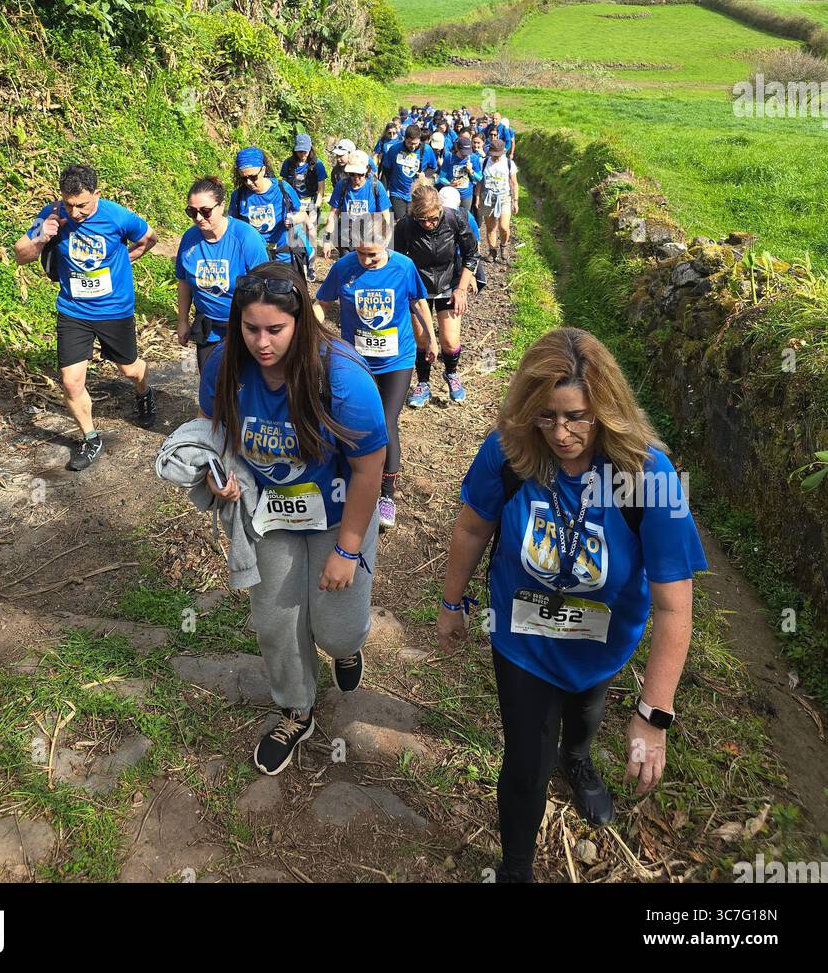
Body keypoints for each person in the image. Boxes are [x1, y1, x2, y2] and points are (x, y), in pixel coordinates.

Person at [438, 327, 707, 883]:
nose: (562, 434)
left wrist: (653, 714)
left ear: (605, 408)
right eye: (546, 416)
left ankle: (578, 758)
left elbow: (675, 607)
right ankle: (515, 868)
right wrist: (451, 600)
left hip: (603, 642)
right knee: (525, 763)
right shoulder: (511, 452)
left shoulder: (644, 475)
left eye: (578, 417)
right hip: (524, 642)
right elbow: (471, 528)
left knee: (584, 714)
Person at [198, 264, 388, 775]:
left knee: (336, 628)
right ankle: (296, 709)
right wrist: (222, 474)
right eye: (251, 328)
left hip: (337, 511)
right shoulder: (223, 366)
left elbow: (370, 468)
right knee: (278, 623)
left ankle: (347, 650)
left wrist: (349, 549)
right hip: (268, 511)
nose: (262, 342)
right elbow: (213, 433)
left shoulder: (343, 377)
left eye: (275, 330)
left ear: (302, 322)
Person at [15, 164, 158, 471]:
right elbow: (20, 254)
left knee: (130, 370)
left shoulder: (117, 215)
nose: (75, 212)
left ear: (97, 194)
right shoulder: (53, 213)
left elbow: (149, 237)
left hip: (114, 308)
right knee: (70, 381)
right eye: (69, 204)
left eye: (82, 205)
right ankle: (91, 438)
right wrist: (41, 236)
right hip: (73, 310)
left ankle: (144, 392)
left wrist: (128, 257)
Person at [316, 229, 436, 531]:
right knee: (344, 418)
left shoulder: (403, 267)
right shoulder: (344, 268)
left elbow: (420, 303)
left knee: (385, 421)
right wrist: (307, 331)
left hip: (397, 359)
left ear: (386, 246)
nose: (367, 260)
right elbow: (322, 303)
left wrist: (431, 340)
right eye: (361, 253)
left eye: (373, 254)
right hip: (355, 361)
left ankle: (386, 494)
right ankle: (347, 480)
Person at [394, 183, 478, 408]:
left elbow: (471, 253)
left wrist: (461, 289)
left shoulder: (454, 218)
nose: (429, 224)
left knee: (449, 341)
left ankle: (452, 374)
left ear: (440, 210)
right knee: (423, 339)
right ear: (415, 215)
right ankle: (423, 382)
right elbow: (399, 261)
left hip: (448, 283)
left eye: (433, 218)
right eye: (423, 220)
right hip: (418, 287)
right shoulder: (405, 226)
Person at [175, 176, 268, 373]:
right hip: (208, 327)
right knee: (210, 385)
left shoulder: (246, 237)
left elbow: (265, 285)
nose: (198, 218)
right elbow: (183, 281)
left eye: (205, 211)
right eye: (192, 212)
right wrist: (182, 320)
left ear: (222, 206)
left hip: (244, 326)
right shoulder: (190, 239)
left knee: (245, 383)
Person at [228, 147, 313, 276]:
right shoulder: (239, 196)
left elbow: (303, 215)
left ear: (263, 170)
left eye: (253, 177)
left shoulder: (282, 189)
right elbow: (231, 227)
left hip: (284, 255)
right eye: (244, 178)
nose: (249, 183)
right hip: (254, 257)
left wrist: (294, 219)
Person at [323, 150, 392, 259]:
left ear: (367, 170)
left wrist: (385, 241)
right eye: (352, 174)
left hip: (370, 237)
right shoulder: (342, 186)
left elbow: (386, 216)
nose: (356, 178)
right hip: (347, 236)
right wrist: (326, 240)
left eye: (360, 174)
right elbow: (333, 214)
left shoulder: (376, 186)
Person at [281, 134, 327, 281]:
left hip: (311, 202)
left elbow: (321, 190)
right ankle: (298, 265)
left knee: (311, 233)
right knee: (295, 234)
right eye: (299, 151)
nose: (302, 154)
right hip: (295, 203)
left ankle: (311, 266)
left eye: (305, 151)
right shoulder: (288, 164)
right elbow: (284, 186)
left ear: (310, 149)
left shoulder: (317, 165)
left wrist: (315, 208)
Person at [380, 124, 438, 222]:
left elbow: (433, 168)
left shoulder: (427, 150)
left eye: (415, 143)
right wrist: (383, 193)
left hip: (417, 194)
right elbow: (386, 172)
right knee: (402, 222)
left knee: (416, 223)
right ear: (404, 139)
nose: (413, 146)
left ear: (419, 139)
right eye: (410, 143)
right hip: (397, 193)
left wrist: (425, 175)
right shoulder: (394, 150)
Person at [478, 139, 519, 262]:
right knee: (490, 227)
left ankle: (504, 246)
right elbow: (480, 181)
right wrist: (478, 198)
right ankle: (492, 250)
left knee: (504, 226)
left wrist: (515, 201)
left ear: (502, 152)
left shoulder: (509, 164)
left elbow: (514, 183)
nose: (495, 158)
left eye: (497, 155)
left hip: (504, 197)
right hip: (487, 198)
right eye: (493, 155)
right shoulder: (483, 162)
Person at [438, 133, 482, 215]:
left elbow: (479, 178)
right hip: (451, 195)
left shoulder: (473, 158)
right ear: (457, 148)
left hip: (466, 194)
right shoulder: (449, 157)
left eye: (467, 153)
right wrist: (449, 184)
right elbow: (441, 178)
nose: (464, 155)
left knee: (464, 217)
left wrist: (471, 171)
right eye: (462, 153)